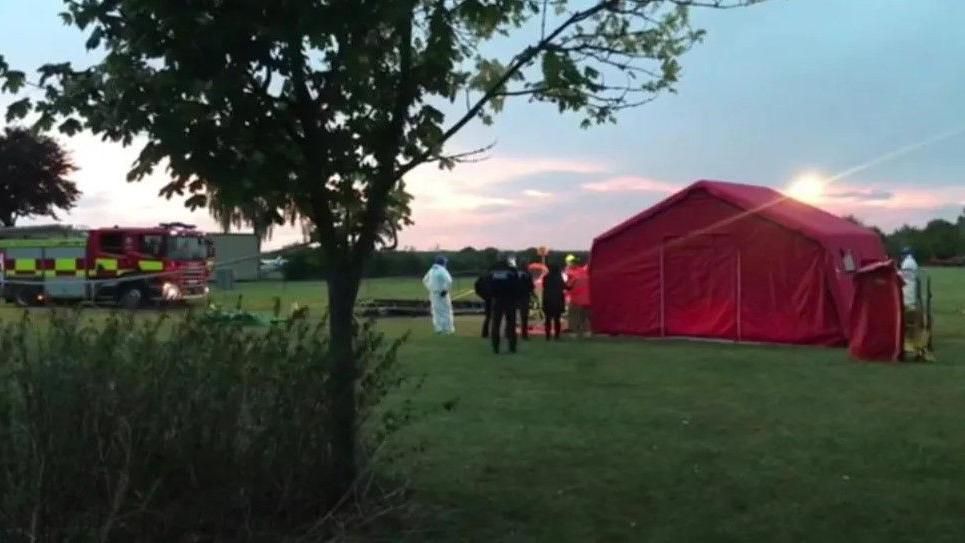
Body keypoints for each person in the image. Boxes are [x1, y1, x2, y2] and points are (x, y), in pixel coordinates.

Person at [488, 254, 521, 354]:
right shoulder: (511, 271)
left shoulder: (492, 270)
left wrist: (489, 296)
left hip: (497, 300)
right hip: (510, 300)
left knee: (495, 324)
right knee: (511, 324)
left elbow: (485, 283)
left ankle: (495, 347)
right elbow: (517, 285)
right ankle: (512, 347)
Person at [422, 255, 455, 334]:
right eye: (445, 262)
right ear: (443, 263)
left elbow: (424, 280)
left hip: (433, 294)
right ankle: (448, 329)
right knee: (446, 311)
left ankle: (438, 329)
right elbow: (449, 281)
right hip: (442, 294)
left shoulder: (431, 270)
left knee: (436, 312)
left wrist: (430, 288)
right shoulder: (442, 270)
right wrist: (445, 290)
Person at [541, 262, 567, 341]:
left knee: (548, 319)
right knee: (557, 319)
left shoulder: (545, 277)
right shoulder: (559, 278)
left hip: (548, 300)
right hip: (557, 300)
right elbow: (565, 287)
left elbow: (544, 286)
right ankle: (557, 335)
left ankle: (547, 335)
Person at [566, 262, 591, 338]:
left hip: (576, 301)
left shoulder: (575, 278)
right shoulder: (589, 278)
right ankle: (587, 332)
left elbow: (567, 287)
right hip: (588, 301)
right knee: (586, 318)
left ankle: (573, 333)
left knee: (574, 317)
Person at [516, 259, 535, 340]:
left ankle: (509, 332)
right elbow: (531, 286)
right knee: (524, 317)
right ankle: (524, 334)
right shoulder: (527, 274)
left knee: (512, 316)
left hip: (515, 296)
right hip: (524, 297)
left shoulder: (515, 273)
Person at [474, 267, 493, 338]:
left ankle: (485, 333)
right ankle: (487, 333)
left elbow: (477, 289)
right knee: (491, 317)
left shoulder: (481, 279)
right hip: (492, 298)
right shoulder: (491, 278)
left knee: (489, 317)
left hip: (488, 298)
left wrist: (484, 296)